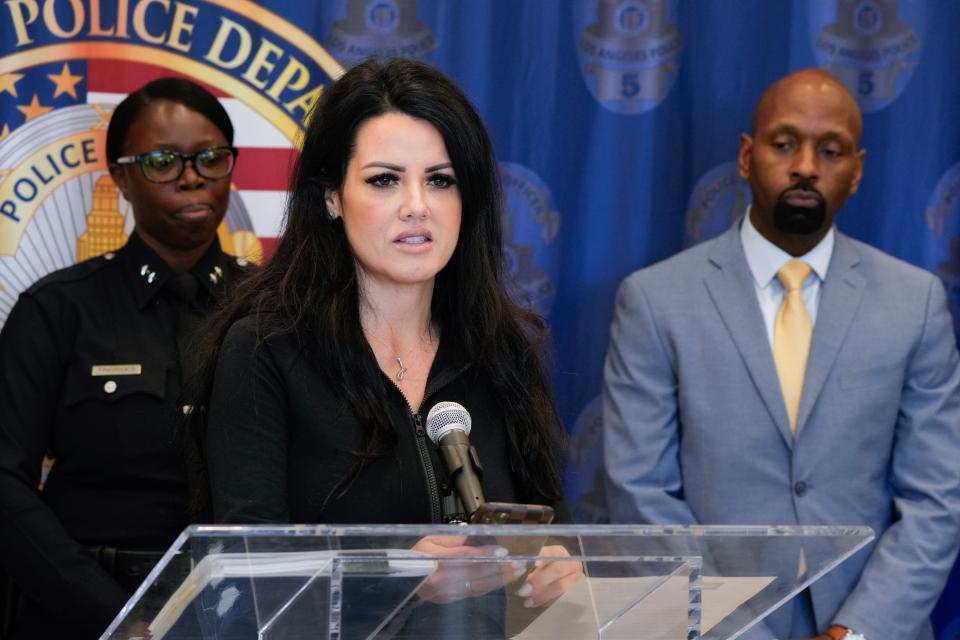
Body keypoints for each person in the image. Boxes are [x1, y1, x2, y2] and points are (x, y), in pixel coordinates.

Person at [196, 57, 580, 625]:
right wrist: (396, 579)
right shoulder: (266, 351)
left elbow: (555, 529)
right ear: (331, 197)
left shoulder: (502, 355)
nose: (416, 206)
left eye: (440, 180)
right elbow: (247, 586)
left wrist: (558, 567)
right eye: (384, 179)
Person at [602, 68, 960, 640]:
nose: (806, 167)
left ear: (858, 170)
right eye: (785, 143)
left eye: (831, 150)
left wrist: (855, 632)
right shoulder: (655, 300)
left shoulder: (914, 302)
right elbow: (640, 497)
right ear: (747, 157)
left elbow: (938, 499)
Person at [0, 77, 250, 639]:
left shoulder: (273, 312)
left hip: (239, 610)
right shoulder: (59, 309)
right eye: (162, 161)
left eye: (210, 158)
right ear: (121, 178)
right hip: (84, 608)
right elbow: (4, 483)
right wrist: (113, 617)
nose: (191, 177)